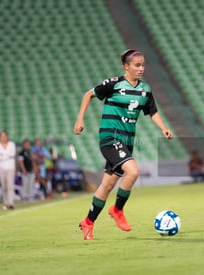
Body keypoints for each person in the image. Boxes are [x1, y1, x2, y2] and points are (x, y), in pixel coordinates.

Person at [73, 49, 173, 240]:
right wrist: (80, 120)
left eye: (143, 65)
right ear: (126, 66)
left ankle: (88, 222)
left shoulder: (145, 90)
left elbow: (152, 112)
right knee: (133, 172)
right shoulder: (114, 84)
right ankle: (117, 210)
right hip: (110, 138)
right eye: (137, 65)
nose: (141, 68)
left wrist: (163, 128)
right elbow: (89, 95)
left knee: (107, 185)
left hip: (127, 141)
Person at [0, 130, 16, 210]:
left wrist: (3, 155)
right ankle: (6, 203)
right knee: (4, 186)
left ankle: (11, 203)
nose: (3, 138)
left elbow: (12, 155)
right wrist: (6, 156)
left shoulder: (11, 145)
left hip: (10, 167)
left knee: (10, 185)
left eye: (4, 136)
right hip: (1, 167)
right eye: (1, 136)